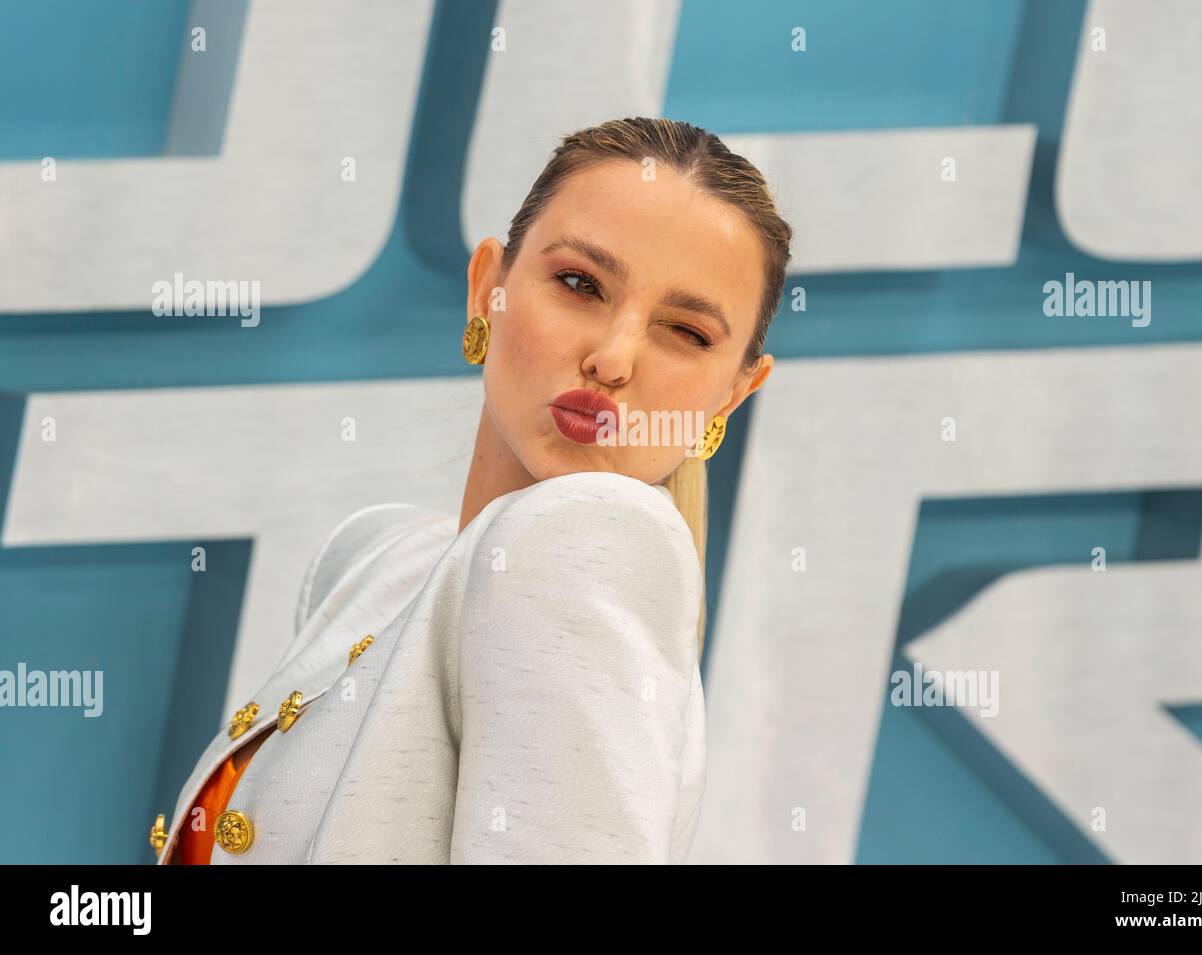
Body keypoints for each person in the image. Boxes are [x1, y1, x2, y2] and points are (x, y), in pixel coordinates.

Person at [149, 116, 793, 864]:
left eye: (686, 331)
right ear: (488, 286)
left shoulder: (592, 547)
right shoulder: (380, 558)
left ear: (733, 396)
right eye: (580, 284)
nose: (612, 360)